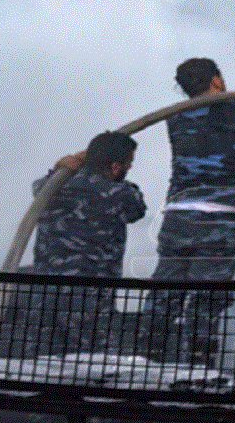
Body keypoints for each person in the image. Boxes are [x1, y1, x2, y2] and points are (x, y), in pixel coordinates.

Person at [145, 57, 235, 362]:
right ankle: (199, 364)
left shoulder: (177, 114)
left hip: (177, 215)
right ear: (215, 79)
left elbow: (226, 132)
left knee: (165, 292)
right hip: (218, 216)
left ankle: (148, 359)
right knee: (208, 297)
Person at [22, 131, 146, 355]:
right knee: (90, 363)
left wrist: (59, 169)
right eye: (128, 163)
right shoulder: (120, 193)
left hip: (45, 295)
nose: (130, 168)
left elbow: (39, 187)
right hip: (91, 299)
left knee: (40, 361)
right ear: (115, 167)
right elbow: (137, 209)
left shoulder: (51, 185)